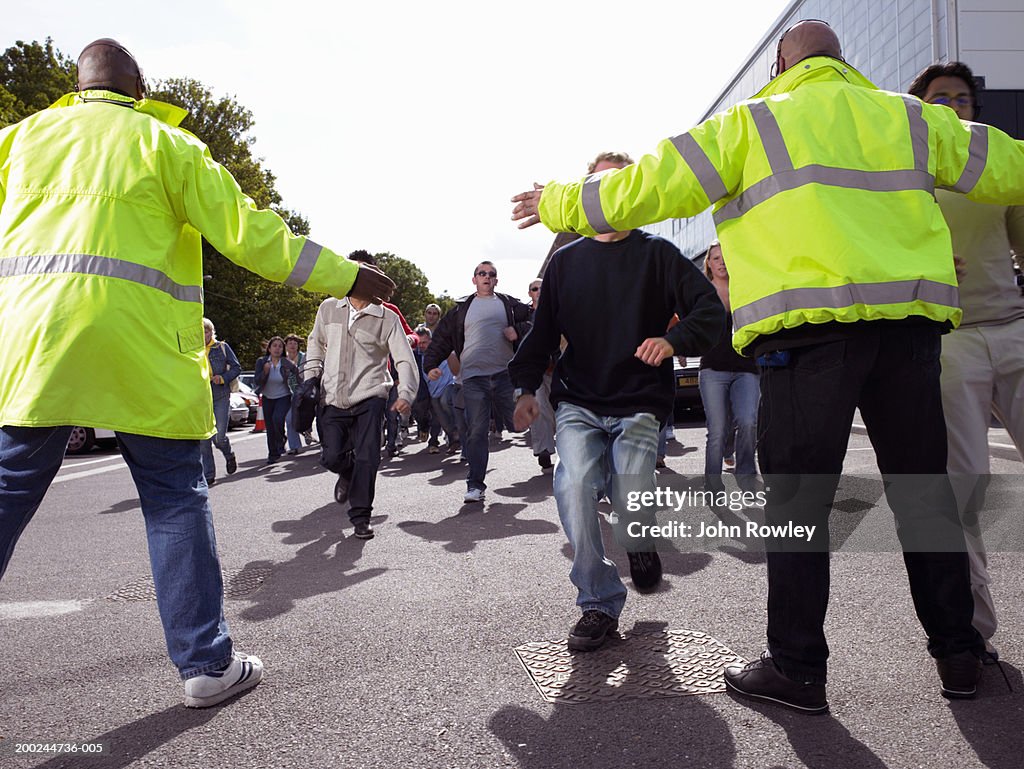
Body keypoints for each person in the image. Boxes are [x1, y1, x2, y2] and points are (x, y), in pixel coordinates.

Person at [512, 20, 1024, 710]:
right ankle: (960, 656)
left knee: (800, 506)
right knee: (925, 496)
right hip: (908, 332)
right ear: (840, 63)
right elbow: (1009, 166)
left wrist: (556, 201)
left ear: (782, 65)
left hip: (806, 338)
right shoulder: (910, 118)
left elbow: (641, 190)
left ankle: (798, 668)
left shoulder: (751, 123)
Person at [0, 39, 395, 708]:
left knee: (6, 493)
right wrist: (350, 275)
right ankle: (207, 664)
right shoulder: (163, 145)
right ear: (139, 87)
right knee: (174, 498)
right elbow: (253, 236)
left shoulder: (18, 141)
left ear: (76, 88)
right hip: (144, 352)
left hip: (34, 347)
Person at [510, 151, 725, 651]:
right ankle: (598, 604)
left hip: (639, 400)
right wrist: (524, 389)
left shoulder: (659, 254)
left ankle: (640, 535)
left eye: (616, 184)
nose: (605, 194)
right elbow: (540, 336)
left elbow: (708, 311)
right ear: (584, 196)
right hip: (580, 400)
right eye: (595, 185)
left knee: (631, 496)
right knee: (575, 482)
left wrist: (673, 342)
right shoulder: (565, 262)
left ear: (631, 192)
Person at [909, 61, 1024, 660]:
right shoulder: (909, 174)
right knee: (965, 490)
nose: (953, 106)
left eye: (962, 98)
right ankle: (974, 628)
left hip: (1014, 331)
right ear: (922, 109)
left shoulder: (998, 163)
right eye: (940, 99)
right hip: (950, 343)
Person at [308, 290, 418, 540]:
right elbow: (315, 343)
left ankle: (361, 517)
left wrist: (406, 393)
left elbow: (404, 359)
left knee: (368, 456)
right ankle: (347, 472)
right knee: (331, 456)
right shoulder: (328, 308)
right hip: (332, 397)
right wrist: (310, 378)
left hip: (371, 396)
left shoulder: (386, 317)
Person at [423, 261, 532, 504]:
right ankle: (475, 485)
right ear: (474, 279)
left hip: (504, 375)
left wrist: (518, 329)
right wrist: (430, 365)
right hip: (473, 378)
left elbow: (536, 319)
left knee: (518, 426)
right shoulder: (462, 309)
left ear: (496, 280)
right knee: (477, 432)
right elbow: (442, 338)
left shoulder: (509, 304)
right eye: (482, 273)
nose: (486, 277)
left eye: (491, 274)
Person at [698, 241, 759, 493]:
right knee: (718, 430)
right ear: (709, 265)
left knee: (748, 421)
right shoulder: (701, 292)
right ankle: (712, 483)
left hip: (747, 367)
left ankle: (746, 478)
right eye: (715, 258)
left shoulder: (746, 288)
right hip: (713, 370)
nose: (721, 261)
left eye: (725, 256)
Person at [200, 318, 240, 485]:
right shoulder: (194, 350)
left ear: (212, 331)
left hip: (220, 395)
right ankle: (209, 475)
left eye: (207, 331)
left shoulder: (221, 347)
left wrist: (223, 378)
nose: (204, 335)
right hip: (201, 397)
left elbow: (237, 367)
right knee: (204, 440)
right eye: (201, 332)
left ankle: (229, 454)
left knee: (219, 437)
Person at [253, 336, 300, 464]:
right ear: (269, 348)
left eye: (280, 346)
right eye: (274, 346)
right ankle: (273, 454)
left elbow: (298, 376)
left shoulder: (286, 363)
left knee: (277, 419)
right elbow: (257, 380)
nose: (277, 348)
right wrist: (265, 372)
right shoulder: (262, 362)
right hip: (268, 397)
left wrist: (299, 390)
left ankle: (281, 440)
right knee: (270, 427)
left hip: (284, 396)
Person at [526, 279, 556, 470]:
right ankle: (544, 449)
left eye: (542, 288)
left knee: (556, 410)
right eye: (535, 289)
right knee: (539, 408)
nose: (539, 291)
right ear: (530, 293)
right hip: (535, 370)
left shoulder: (558, 310)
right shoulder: (523, 316)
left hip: (558, 368)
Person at [283, 333, 314, 452]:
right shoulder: (283, 360)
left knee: (308, 415)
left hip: (305, 393)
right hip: (290, 394)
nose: (292, 345)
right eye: (290, 343)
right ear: (286, 345)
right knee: (290, 419)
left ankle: (308, 431)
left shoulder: (304, 357)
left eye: (295, 343)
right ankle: (295, 446)